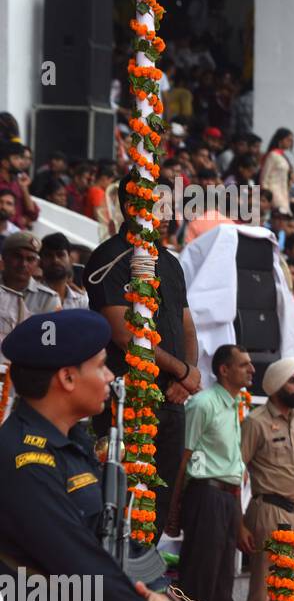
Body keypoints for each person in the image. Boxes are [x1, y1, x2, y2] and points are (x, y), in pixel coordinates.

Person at [0, 310, 207, 601]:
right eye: (101, 364)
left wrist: (157, 597)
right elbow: (81, 566)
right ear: (68, 377)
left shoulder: (70, 450)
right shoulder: (21, 460)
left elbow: (112, 546)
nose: (111, 375)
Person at [86, 186, 200, 526]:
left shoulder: (170, 262)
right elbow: (125, 336)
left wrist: (187, 374)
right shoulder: (111, 257)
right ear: (131, 206)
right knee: (120, 498)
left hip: (173, 399)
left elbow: (188, 328)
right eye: (160, 206)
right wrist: (182, 370)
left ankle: (144, 575)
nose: (168, 216)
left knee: (159, 501)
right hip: (127, 397)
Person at [167, 343, 253, 601]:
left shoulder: (233, 404)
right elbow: (184, 457)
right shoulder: (204, 403)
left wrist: (238, 523)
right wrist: (172, 510)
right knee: (200, 578)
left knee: (222, 581)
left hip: (226, 499)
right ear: (224, 370)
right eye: (243, 364)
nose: (252, 369)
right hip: (205, 496)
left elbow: (231, 470)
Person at [242, 357, 294, 601]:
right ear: (277, 383)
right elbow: (238, 470)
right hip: (269, 510)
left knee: (290, 588)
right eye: (293, 381)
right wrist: (239, 524)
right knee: (264, 589)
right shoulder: (255, 421)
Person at [0, 232, 61, 356]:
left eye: (30, 259)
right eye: (17, 257)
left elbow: (48, 344)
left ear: (38, 264)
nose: (23, 264)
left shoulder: (48, 299)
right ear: (4, 258)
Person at [37, 232, 89, 310]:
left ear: (70, 259)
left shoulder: (82, 301)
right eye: (49, 255)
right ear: (40, 261)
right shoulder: (31, 296)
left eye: (60, 255)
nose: (55, 260)